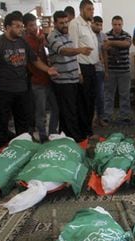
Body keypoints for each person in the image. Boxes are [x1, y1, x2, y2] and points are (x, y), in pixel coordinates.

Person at [0, 12, 58, 149]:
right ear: (7, 27)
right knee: (2, 123)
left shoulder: (22, 41)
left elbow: (34, 59)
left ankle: (22, 149)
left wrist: (47, 69)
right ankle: (1, 152)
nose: (21, 29)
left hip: (22, 89)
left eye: (21, 26)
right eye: (17, 26)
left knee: (23, 123)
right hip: (3, 90)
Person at [47, 10, 92, 142]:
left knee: (76, 109)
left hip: (73, 79)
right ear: (55, 23)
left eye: (66, 22)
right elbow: (64, 51)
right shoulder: (52, 37)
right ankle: (74, 139)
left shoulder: (67, 35)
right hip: (62, 81)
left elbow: (73, 56)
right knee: (68, 112)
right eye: (61, 23)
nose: (65, 25)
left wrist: (78, 73)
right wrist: (80, 50)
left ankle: (75, 135)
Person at [23, 13, 59, 143]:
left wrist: (42, 41)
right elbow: (35, 60)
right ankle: (43, 136)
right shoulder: (26, 42)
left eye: (35, 25)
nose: (34, 28)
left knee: (55, 108)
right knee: (41, 111)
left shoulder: (39, 38)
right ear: (25, 27)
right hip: (37, 81)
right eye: (31, 25)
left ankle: (52, 133)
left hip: (47, 79)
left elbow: (45, 54)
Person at [69, 0, 99, 139]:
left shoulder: (88, 24)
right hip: (82, 67)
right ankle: (83, 132)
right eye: (89, 9)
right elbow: (74, 48)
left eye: (92, 9)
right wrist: (78, 72)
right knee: (83, 101)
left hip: (92, 66)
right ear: (81, 10)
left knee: (91, 99)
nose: (92, 11)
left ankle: (88, 128)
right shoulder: (75, 24)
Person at [102, 15, 132, 124]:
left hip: (124, 71)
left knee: (124, 94)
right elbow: (104, 52)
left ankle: (125, 115)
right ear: (112, 24)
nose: (117, 27)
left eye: (119, 24)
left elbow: (126, 44)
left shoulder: (127, 35)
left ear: (122, 24)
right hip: (110, 70)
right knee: (108, 94)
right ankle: (107, 115)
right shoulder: (106, 36)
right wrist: (105, 70)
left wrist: (111, 43)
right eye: (115, 24)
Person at [91, 15, 107, 127]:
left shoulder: (103, 36)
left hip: (100, 69)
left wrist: (106, 70)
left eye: (101, 25)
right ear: (92, 23)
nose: (99, 27)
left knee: (101, 95)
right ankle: (91, 118)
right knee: (90, 95)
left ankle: (100, 117)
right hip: (89, 68)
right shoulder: (88, 35)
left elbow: (105, 53)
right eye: (97, 24)